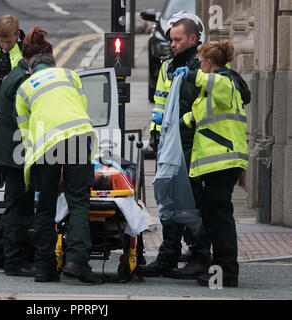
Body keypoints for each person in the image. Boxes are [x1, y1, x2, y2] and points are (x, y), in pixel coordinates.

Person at [15, 53, 101, 284]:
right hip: (77, 136)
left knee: (45, 207)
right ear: (53, 65)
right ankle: (77, 262)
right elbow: (81, 107)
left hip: (45, 145)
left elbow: (25, 134)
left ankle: (44, 267)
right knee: (78, 202)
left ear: (31, 69)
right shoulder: (69, 75)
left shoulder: (24, 89)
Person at [139, 15, 212, 279]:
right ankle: (168, 257)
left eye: (177, 40)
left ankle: (201, 257)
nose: (172, 44)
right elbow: (160, 103)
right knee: (168, 201)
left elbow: (198, 110)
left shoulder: (200, 67)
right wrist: (156, 136)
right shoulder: (169, 66)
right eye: (171, 40)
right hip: (169, 144)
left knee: (192, 203)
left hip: (192, 145)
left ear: (192, 39)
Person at [174, 40, 250, 287]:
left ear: (209, 62)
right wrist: (174, 123)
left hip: (223, 161)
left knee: (220, 219)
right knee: (216, 216)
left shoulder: (224, 81)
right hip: (219, 163)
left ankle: (226, 273)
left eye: (199, 61)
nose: (197, 65)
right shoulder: (215, 89)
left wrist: (191, 73)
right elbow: (199, 114)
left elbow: (208, 81)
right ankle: (222, 271)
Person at [0, 27, 54, 277]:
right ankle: (14, 262)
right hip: (16, 154)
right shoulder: (25, 80)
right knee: (21, 209)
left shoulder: (16, 73)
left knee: (15, 204)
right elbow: (28, 120)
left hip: (8, 151)